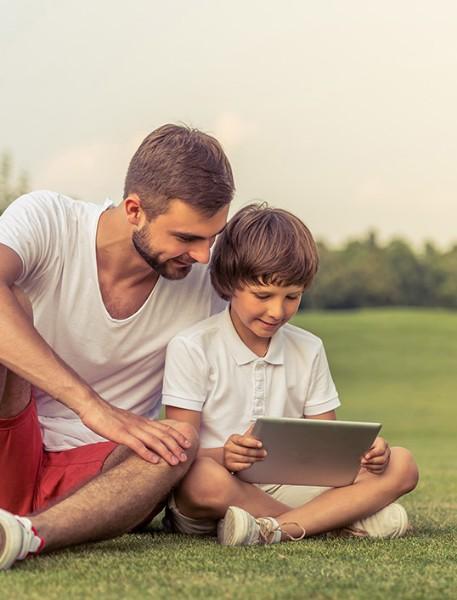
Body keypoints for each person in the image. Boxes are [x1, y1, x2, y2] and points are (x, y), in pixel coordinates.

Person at [0, 124, 235, 569]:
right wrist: (92, 406)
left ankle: (24, 535)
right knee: (11, 300)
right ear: (134, 210)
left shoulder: (208, 281)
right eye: (187, 238)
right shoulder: (49, 220)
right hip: (9, 429)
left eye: (213, 236)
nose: (204, 255)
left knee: (178, 442)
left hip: (99, 478)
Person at [161, 203, 419, 545]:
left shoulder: (308, 348)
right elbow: (179, 454)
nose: (277, 311)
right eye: (263, 295)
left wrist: (367, 455)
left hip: (292, 486)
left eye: (292, 297)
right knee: (199, 478)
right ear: (229, 283)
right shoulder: (192, 347)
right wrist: (225, 455)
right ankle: (332, 520)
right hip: (219, 492)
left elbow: (326, 450)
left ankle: (273, 529)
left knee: (402, 463)